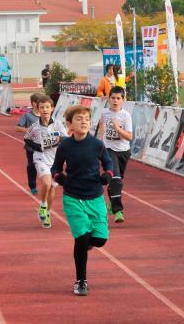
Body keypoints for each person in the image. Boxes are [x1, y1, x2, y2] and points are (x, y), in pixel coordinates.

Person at [51, 105, 115, 296]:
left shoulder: (97, 144)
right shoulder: (65, 146)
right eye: (79, 119)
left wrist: (108, 175)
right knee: (81, 238)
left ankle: (86, 243)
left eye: (87, 118)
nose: (84, 122)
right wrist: (58, 177)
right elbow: (55, 167)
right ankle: (81, 281)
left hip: (95, 196)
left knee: (100, 239)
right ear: (69, 124)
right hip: (73, 197)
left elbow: (108, 162)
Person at [24, 95, 68, 228]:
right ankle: (43, 205)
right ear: (38, 108)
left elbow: (65, 138)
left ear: (52, 108)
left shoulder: (58, 124)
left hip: (55, 160)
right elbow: (27, 138)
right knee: (46, 183)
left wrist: (57, 139)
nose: (44, 110)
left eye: (47, 107)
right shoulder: (35, 126)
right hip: (40, 158)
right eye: (42, 107)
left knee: (52, 188)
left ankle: (47, 213)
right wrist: (36, 146)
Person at [99, 86, 132, 223]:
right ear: (109, 99)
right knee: (116, 179)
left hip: (124, 151)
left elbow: (129, 137)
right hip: (108, 150)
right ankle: (118, 211)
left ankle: (112, 203)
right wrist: (101, 140)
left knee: (116, 182)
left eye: (118, 98)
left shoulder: (126, 116)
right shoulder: (103, 113)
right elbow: (101, 131)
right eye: (113, 98)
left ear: (123, 100)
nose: (115, 101)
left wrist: (118, 128)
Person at [15, 93, 44, 195]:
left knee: (48, 165)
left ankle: (49, 183)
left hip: (45, 146)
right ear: (33, 103)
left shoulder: (47, 114)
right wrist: (28, 130)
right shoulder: (27, 116)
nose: (42, 105)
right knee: (32, 166)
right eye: (40, 102)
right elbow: (17, 128)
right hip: (31, 146)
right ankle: (32, 186)